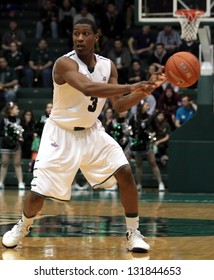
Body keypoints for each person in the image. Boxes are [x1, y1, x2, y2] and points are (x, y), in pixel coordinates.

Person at [2, 19, 166, 252]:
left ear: (96, 37)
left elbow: (119, 106)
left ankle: (133, 232)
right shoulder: (64, 63)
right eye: (76, 34)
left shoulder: (108, 66)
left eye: (85, 33)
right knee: (38, 194)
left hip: (91, 131)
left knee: (125, 172)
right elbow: (89, 88)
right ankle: (23, 225)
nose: (79, 38)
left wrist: (146, 90)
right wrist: (133, 85)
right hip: (60, 134)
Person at [129, 100, 165, 191]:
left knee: (153, 162)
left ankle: (160, 183)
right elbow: (130, 130)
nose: (148, 106)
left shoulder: (150, 117)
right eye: (146, 105)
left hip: (148, 144)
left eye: (148, 105)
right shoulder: (134, 118)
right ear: (141, 107)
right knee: (138, 164)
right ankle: (139, 184)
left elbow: (157, 129)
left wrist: (153, 134)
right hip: (138, 144)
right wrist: (133, 135)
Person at [0, 102, 25, 189]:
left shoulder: (19, 120)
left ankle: (21, 182)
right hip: (5, 145)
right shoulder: (4, 120)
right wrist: (7, 134)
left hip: (16, 145)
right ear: (11, 110)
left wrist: (19, 136)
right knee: (4, 163)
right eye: (16, 109)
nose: (18, 110)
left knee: (17, 163)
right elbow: (1, 131)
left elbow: (21, 131)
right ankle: (1, 182)